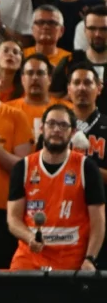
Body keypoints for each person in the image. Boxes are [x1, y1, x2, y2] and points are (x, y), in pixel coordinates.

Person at [7, 104, 105, 271]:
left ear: (73, 132)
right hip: (29, 259)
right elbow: (13, 219)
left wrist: (90, 259)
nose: (56, 129)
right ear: (41, 128)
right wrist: (29, 237)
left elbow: (98, 221)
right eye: (51, 124)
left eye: (63, 125)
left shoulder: (86, 168)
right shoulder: (23, 167)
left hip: (71, 260)